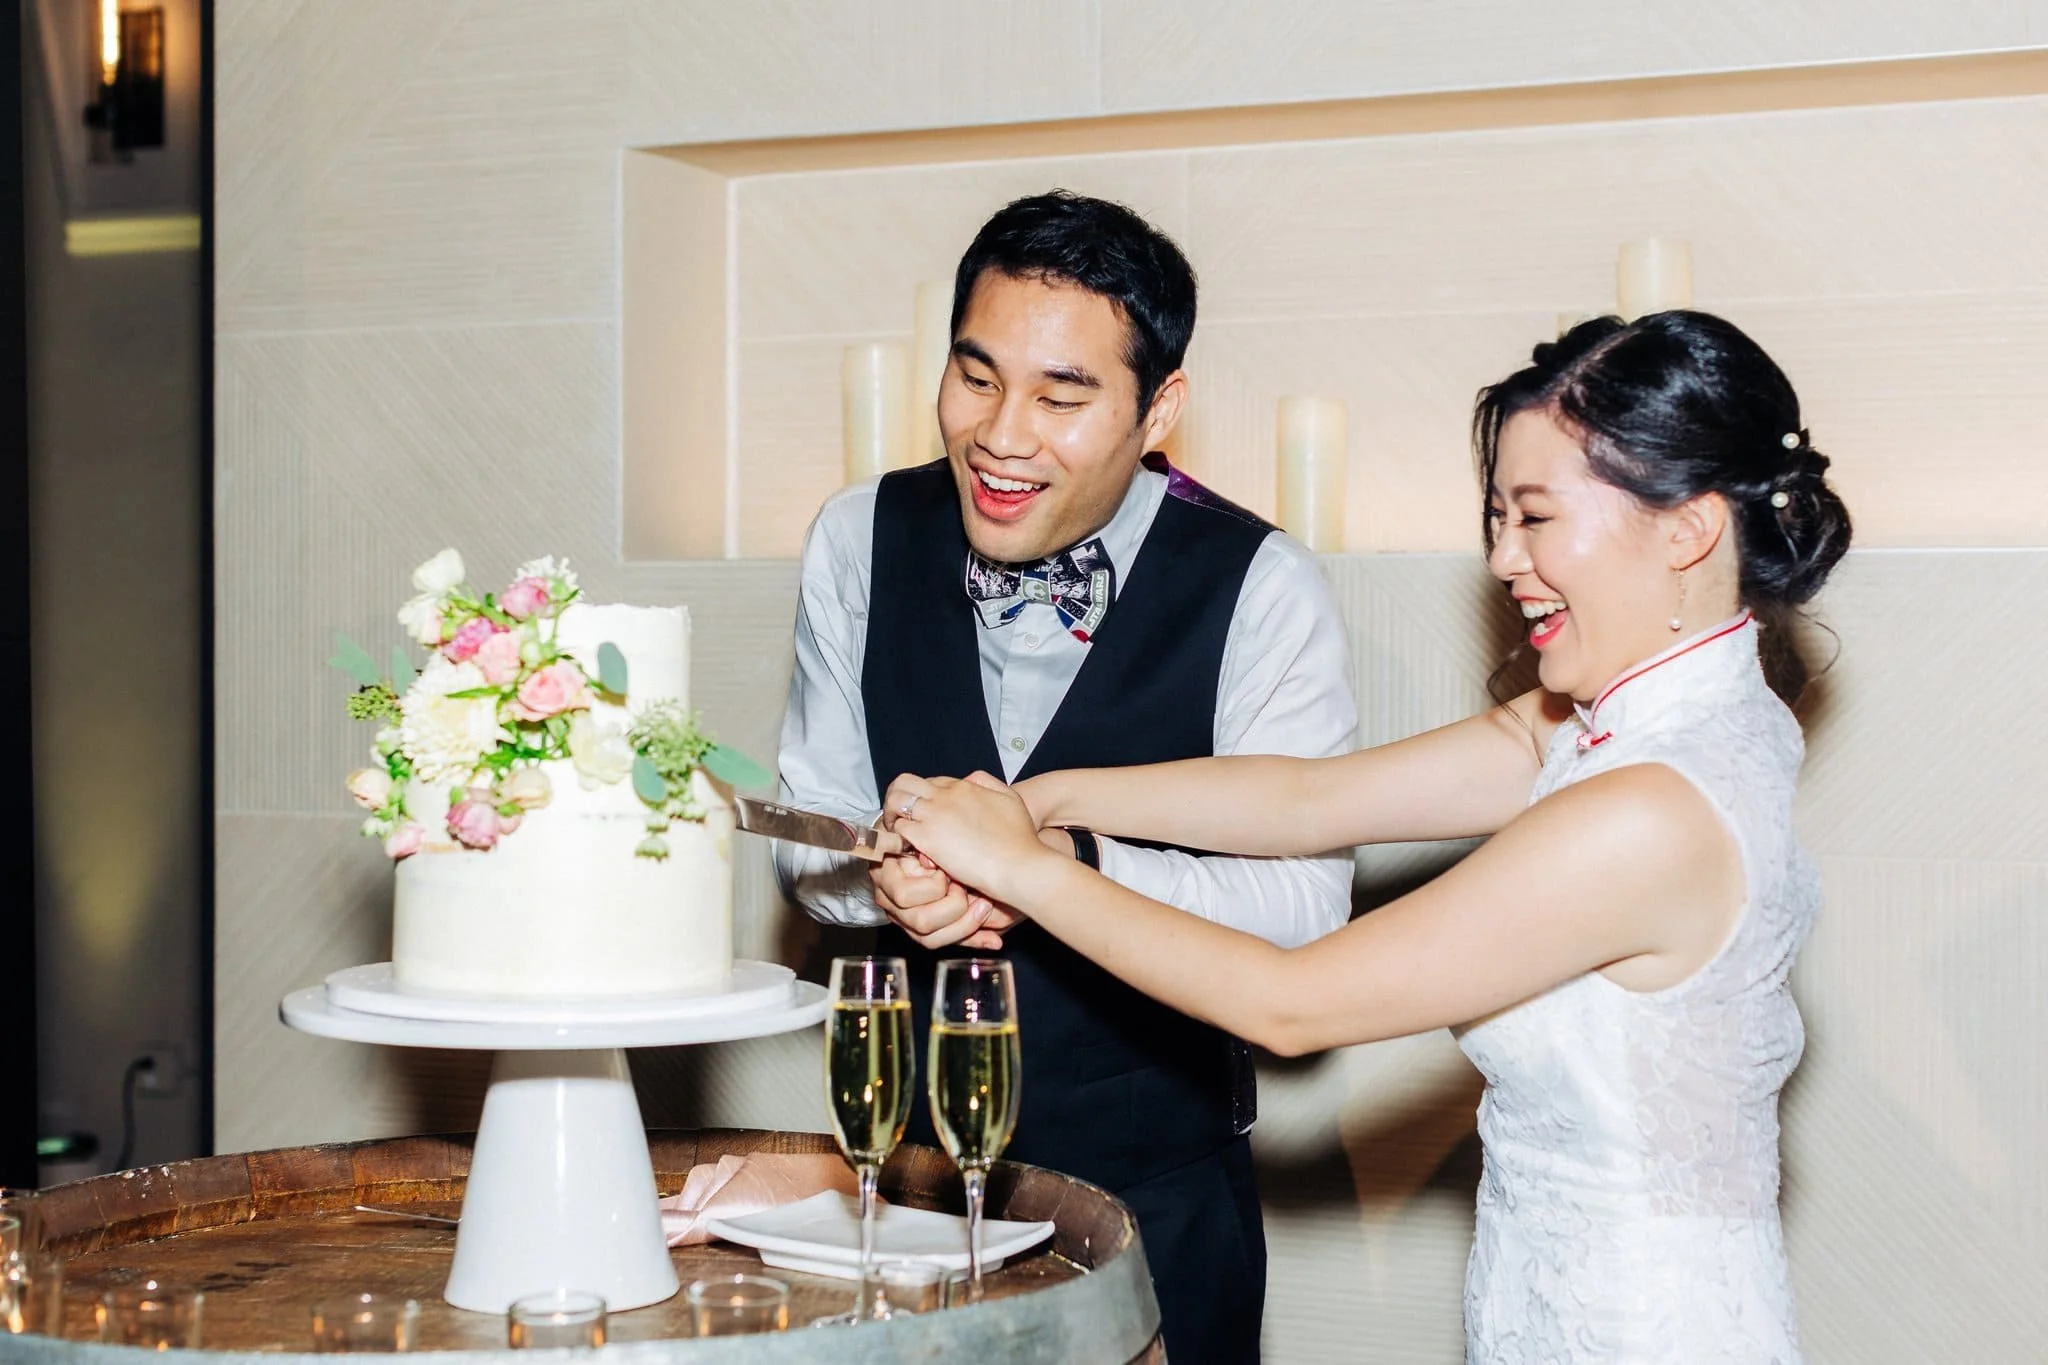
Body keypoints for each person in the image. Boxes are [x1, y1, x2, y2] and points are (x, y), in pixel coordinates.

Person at [884, 310, 1853, 1363]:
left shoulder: (1647, 809)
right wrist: (1042, 800)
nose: (1502, 558)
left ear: (1685, 529)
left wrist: (1024, 871)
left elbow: (1289, 1004)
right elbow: (1311, 799)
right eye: (1496, 517)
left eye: (1534, 517)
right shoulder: (1674, 714)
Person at [771, 190, 1356, 1363]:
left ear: (1157, 409)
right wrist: (876, 879)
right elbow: (804, 834)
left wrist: (1059, 868)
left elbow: (1303, 909)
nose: (1001, 435)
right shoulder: (855, 537)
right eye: (975, 377)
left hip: (1160, 1205)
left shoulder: (1262, 586)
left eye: (1061, 396)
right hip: (908, 1197)